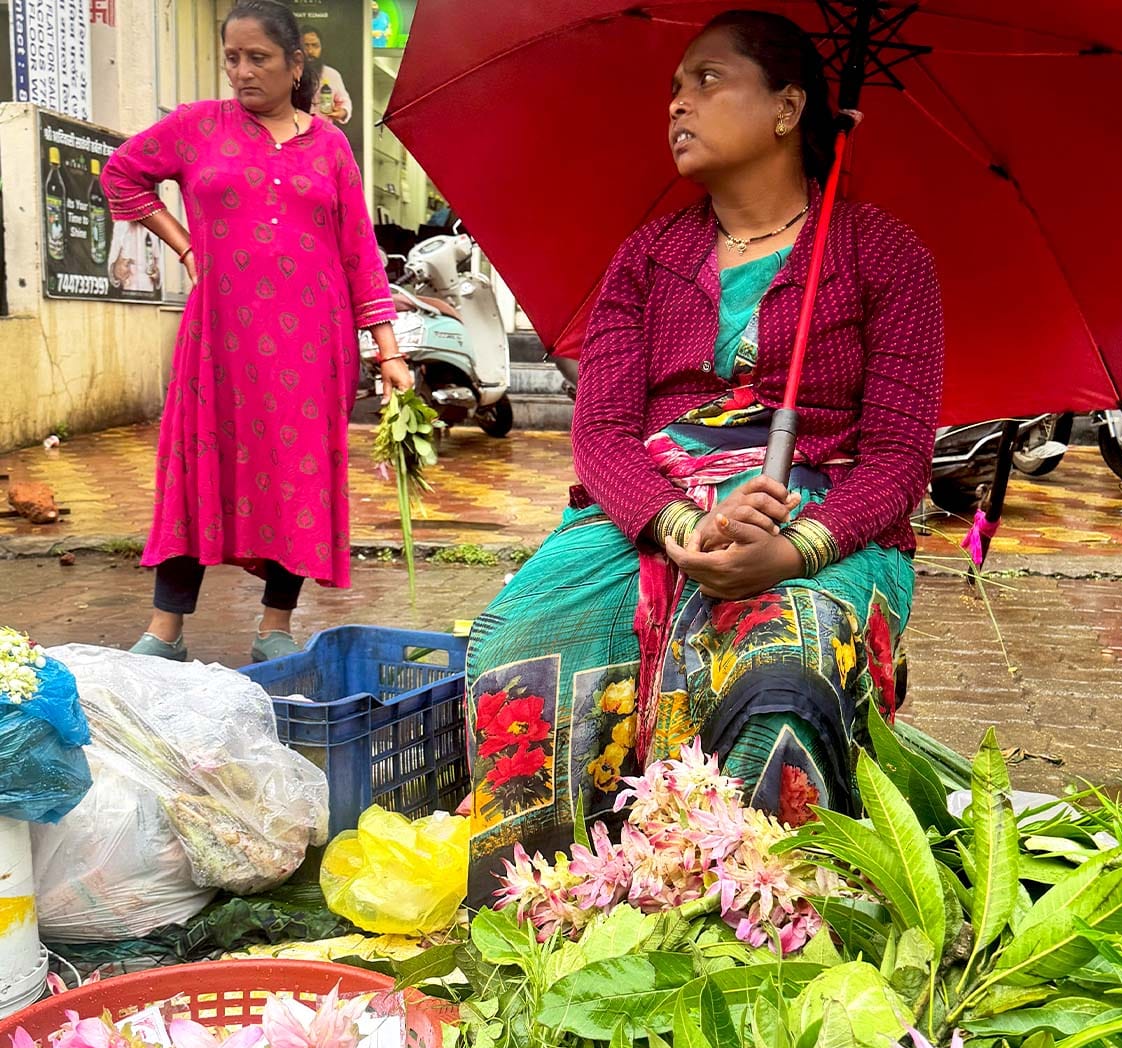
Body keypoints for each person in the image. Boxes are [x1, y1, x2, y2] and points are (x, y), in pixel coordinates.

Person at [464, 9, 943, 901]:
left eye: (707, 80)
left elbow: (898, 459)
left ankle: (751, 928)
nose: (678, 103)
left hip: (825, 524)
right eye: (675, 88)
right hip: (647, 513)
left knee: (784, 667)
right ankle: (550, 915)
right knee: (518, 645)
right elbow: (602, 432)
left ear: (788, 107)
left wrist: (795, 550)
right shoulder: (647, 259)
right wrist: (681, 523)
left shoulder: (885, 256)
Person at [101, 0, 411, 662]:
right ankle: (166, 630)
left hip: (311, 347)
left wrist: (388, 351)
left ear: (295, 62)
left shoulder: (329, 146)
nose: (242, 72)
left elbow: (358, 252)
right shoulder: (196, 127)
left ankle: (275, 624)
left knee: (296, 479)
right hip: (217, 340)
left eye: (258, 59)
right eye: (232, 59)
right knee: (196, 468)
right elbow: (122, 174)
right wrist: (185, 247)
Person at [300, 26, 352, 124]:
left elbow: (344, 101)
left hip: (324, 133)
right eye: (305, 46)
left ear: (321, 48)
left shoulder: (332, 74)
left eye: (315, 46)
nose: (310, 51)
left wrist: (342, 112)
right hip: (295, 134)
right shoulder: (288, 74)